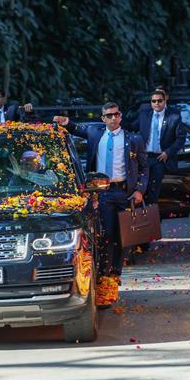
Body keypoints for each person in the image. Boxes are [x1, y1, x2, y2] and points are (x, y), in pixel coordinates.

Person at [53, 102, 148, 280]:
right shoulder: (95, 134)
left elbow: (144, 167)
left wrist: (140, 190)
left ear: (120, 116)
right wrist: (64, 121)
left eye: (116, 114)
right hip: (103, 192)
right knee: (106, 233)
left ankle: (116, 271)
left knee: (124, 235)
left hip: (124, 192)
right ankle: (104, 271)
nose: (113, 118)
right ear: (103, 118)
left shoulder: (133, 139)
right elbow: (75, 129)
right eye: (109, 115)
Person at [125, 88, 186, 205]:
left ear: (165, 101)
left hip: (160, 158)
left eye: (159, 101)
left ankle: (153, 217)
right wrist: (117, 119)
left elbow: (180, 138)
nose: (156, 103)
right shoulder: (144, 115)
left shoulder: (174, 116)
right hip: (144, 157)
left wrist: (168, 152)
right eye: (154, 101)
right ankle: (143, 216)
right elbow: (132, 127)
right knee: (141, 187)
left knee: (153, 189)